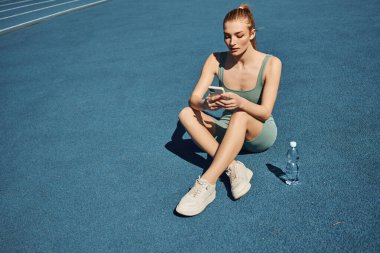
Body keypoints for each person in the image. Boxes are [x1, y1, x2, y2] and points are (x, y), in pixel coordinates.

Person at [176, 4, 282, 216]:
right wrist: (206, 104)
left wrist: (240, 103)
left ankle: (207, 183)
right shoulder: (216, 59)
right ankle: (232, 165)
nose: (232, 42)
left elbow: (265, 112)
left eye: (239, 35)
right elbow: (193, 99)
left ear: (251, 34)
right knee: (185, 113)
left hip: (257, 132)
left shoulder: (271, 63)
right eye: (227, 36)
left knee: (241, 115)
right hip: (227, 131)